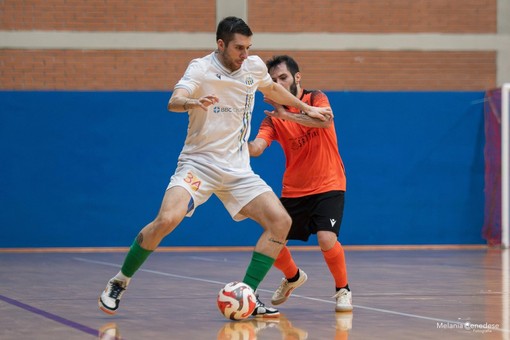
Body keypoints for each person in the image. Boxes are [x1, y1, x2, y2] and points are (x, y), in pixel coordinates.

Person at [98, 17, 332, 318]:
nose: (244, 54)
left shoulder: (254, 66)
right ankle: (120, 280)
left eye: (248, 47)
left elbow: (272, 90)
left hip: (237, 169)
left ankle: (248, 294)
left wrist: (307, 108)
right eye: (238, 48)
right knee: (167, 219)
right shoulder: (201, 68)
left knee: (280, 222)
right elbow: (174, 100)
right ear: (220, 44)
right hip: (199, 164)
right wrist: (192, 102)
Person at [248, 55, 353, 312]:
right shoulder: (272, 118)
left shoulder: (316, 98)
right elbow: (258, 147)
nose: (278, 83)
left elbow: (324, 121)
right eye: (273, 81)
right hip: (294, 189)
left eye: (282, 77)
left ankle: (343, 289)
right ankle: (293, 277)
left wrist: (289, 115)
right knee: (273, 239)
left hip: (329, 183)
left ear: (297, 78)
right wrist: (237, 144)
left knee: (327, 239)